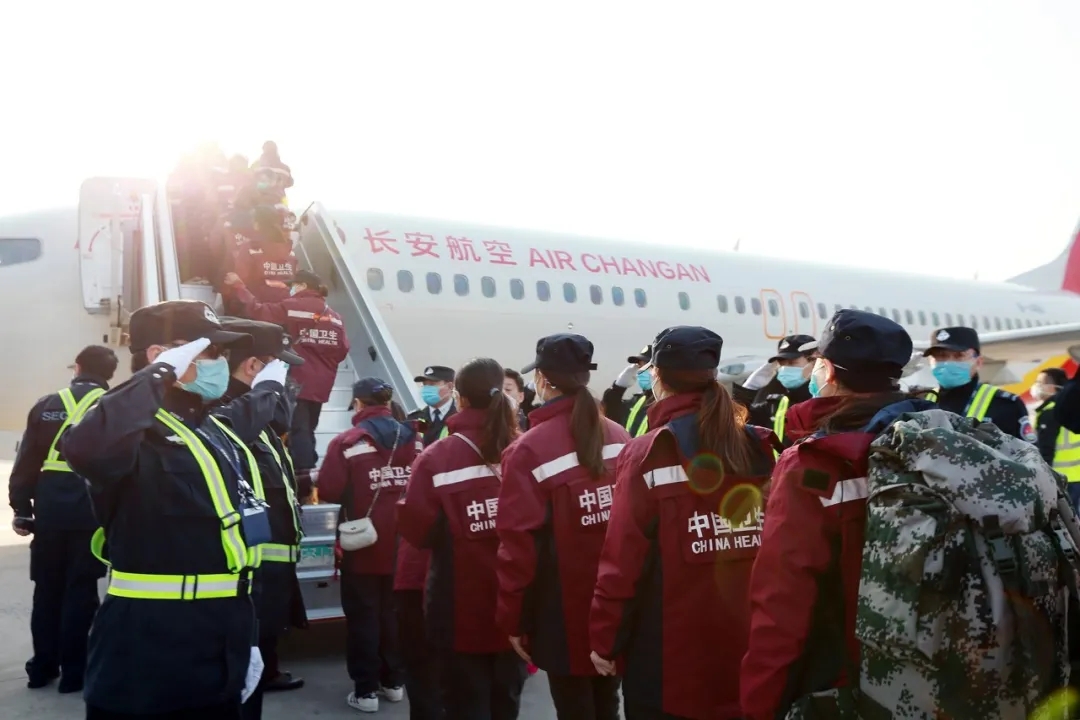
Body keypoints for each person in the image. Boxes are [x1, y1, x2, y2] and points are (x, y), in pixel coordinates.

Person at [60, 299, 291, 719]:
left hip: (223, 640)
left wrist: (271, 387)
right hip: (151, 647)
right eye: (210, 351)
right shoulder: (134, 434)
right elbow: (85, 448)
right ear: (161, 355)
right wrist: (159, 374)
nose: (221, 362)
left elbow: (250, 412)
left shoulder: (211, 428)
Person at [740, 310, 935, 720]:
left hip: (854, 680)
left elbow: (782, 600)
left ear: (827, 371)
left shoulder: (814, 462)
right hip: (941, 666)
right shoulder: (940, 437)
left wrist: (760, 701)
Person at [590, 326, 780, 720]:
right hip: (748, 651)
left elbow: (622, 562)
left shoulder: (648, 452)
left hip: (668, 662)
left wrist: (605, 639)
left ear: (658, 376)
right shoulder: (757, 446)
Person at [497, 334, 630, 719]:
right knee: (607, 701)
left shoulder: (528, 449)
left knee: (574, 706)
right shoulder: (619, 435)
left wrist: (514, 618)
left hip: (561, 611)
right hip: (617, 601)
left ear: (541, 379)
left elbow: (518, 547)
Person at [399, 358, 526, 720]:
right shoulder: (525, 449)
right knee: (507, 701)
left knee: (463, 703)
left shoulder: (438, 457)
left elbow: (416, 531)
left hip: (458, 607)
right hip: (516, 602)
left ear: (460, 398)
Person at [212, 318, 307, 718]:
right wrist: (268, 392)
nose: (285, 379)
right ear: (253, 366)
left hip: (269, 557)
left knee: (264, 637)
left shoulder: (258, 415)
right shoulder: (223, 415)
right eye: (277, 367)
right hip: (248, 564)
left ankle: (267, 672)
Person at [9, 345, 118, 693]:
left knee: (47, 589)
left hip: (51, 509)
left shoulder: (47, 405)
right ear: (109, 374)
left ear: (78, 368)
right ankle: (75, 672)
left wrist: (22, 508)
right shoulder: (114, 406)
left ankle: (42, 667)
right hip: (92, 510)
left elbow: (27, 460)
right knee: (81, 590)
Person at [318, 377, 418, 713]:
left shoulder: (347, 442)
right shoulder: (415, 439)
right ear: (389, 403)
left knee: (364, 617)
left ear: (358, 404)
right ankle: (394, 682)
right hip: (405, 544)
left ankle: (366, 691)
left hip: (363, 545)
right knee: (394, 614)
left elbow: (329, 490)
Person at [221, 268, 350, 482]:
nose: (290, 288)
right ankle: (307, 476)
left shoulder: (293, 306)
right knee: (307, 429)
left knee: (297, 430)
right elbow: (343, 349)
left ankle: (301, 478)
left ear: (303, 286)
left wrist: (239, 286)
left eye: (293, 285)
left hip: (296, 379)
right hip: (321, 383)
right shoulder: (335, 317)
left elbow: (258, 311)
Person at [921, 325, 1034, 441]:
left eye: (959, 355)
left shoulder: (1005, 405)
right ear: (930, 361)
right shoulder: (920, 402)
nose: (947, 362)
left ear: (978, 362)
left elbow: (1028, 451)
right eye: (941, 356)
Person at [731, 334, 816, 446]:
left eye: (792, 363)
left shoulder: (820, 401)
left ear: (813, 363)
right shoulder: (775, 402)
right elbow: (739, 422)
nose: (785, 368)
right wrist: (748, 389)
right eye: (782, 364)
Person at [1031, 367, 1080, 507]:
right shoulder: (1071, 406)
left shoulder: (1050, 411)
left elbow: (1045, 449)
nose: (1036, 386)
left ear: (1052, 387)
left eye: (1040, 383)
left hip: (1061, 476)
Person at [600, 344, 653, 437]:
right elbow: (610, 414)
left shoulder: (669, 404)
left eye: (647, 366)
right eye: (640, 366)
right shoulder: (638, 401)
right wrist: (618, 388)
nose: (641, 371)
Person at [411, 365, 457, 445]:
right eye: (424, 385)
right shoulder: (414, 418)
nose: (427, 389)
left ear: (450, 386)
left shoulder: (461, 418)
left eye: (432, 384)